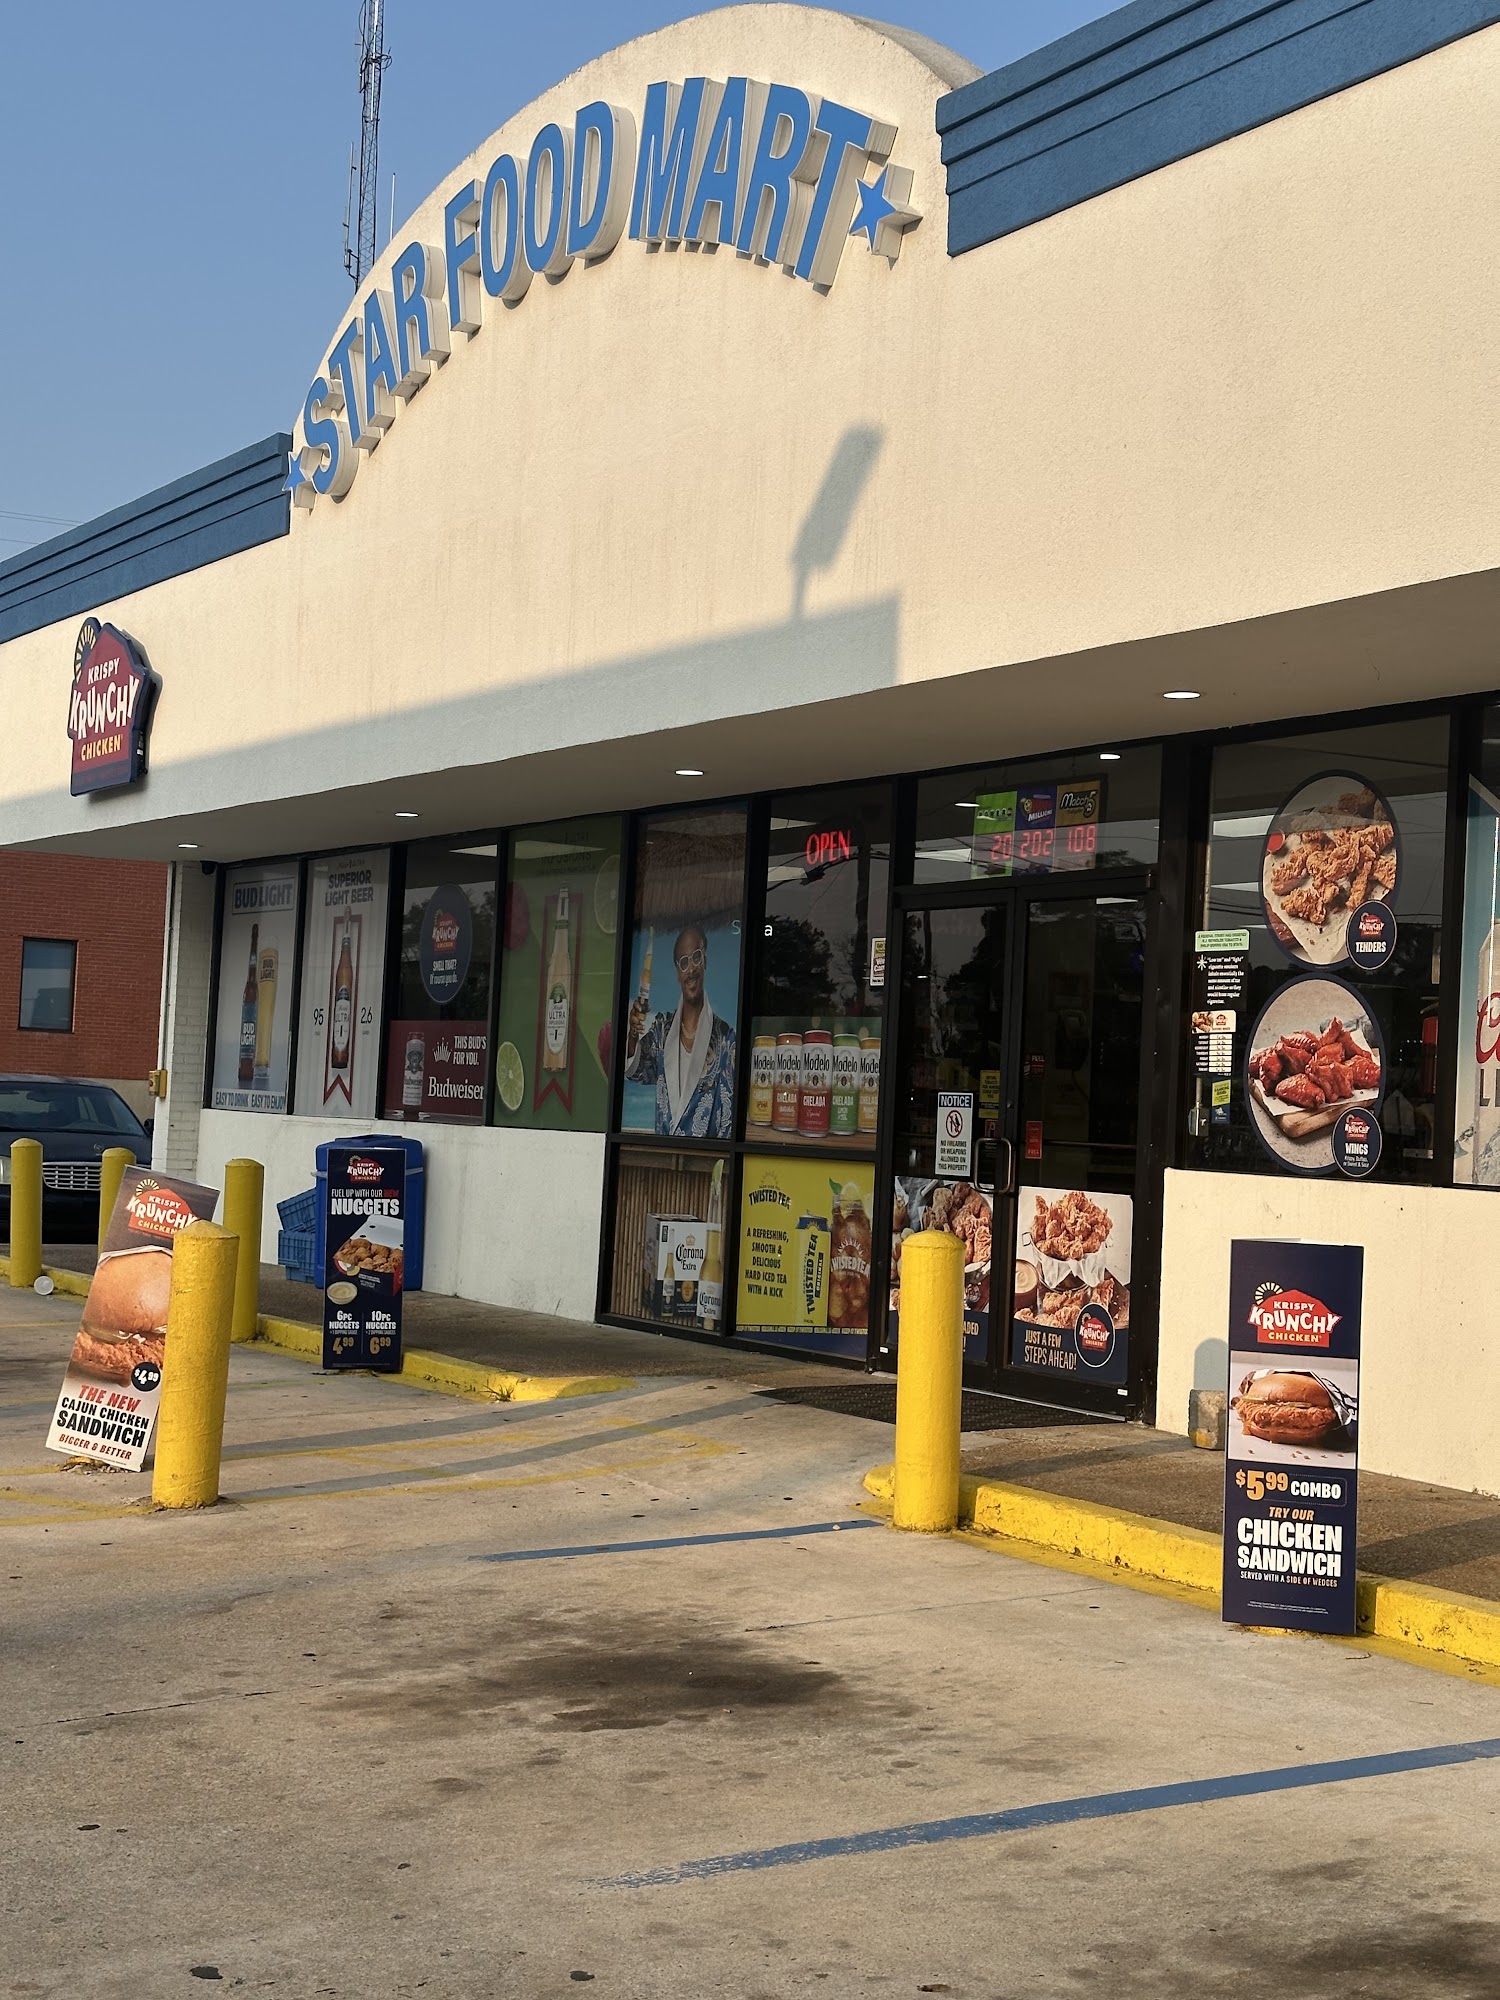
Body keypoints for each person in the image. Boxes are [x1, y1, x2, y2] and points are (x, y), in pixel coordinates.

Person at [625, 923, 736, 1136]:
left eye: (696, 957)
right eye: (684, 963)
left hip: (703, 1163)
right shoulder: (661, 1029)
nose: (691, 969)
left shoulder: (726, 1039)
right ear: (677, 972)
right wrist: (632, 1034)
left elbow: (728, 1122)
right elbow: (636, 1071)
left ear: (705, 961)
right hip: (663, 1160)